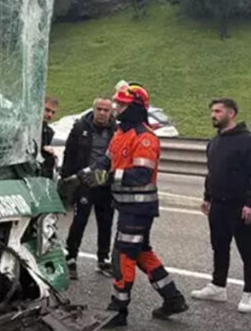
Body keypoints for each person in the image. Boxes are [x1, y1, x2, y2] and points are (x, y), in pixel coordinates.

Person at [80, 81, 188, 327]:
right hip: (127, 207)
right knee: (141, 253)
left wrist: (106, 178)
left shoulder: (145, 138)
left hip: (139, 208)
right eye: (117, 103)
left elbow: (140, 175)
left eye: (122, 104)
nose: (117, 108)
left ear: (136, 108)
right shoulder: (120, 133)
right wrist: (82, 176)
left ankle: (118, 311)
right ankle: (173, 298)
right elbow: (105, 162)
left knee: (122, 256)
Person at [190, 98, 251, 313]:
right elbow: (212, 172)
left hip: (240, 206)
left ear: (231, 113)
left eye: (218, 111)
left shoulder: (247, 141)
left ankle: (249, 293)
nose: (213, 115)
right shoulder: (214, 142)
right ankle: (218, 286)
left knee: (248, 250)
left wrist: (249, 203)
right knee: (219, 246)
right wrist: (207, 197)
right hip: (218, 204)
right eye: (212, 111)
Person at [61, 98, 116, 280]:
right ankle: (71, 257)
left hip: (105, 184)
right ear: (94, 109)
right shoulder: (80, 127)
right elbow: (69, 152)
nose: (102, 113)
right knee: (80, 220)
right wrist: (66, 178)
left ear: (111, 112)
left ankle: (103, 259)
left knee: (106, 222)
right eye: (99, 109)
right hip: (85, 182)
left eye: (105, 110)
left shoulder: (116, 130)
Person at [41, 96, 59, 178]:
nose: (49, 115)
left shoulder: (49, 132)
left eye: (53, 112)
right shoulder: (26, 127)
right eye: (47, 110)